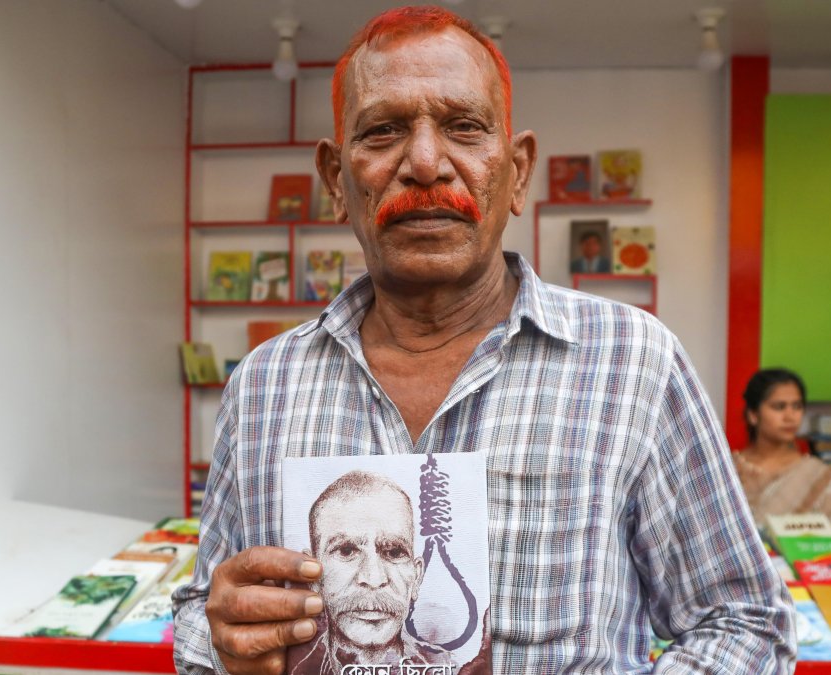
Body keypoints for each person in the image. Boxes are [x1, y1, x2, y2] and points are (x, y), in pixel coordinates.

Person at [172, 6, 796, 674]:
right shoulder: (264, 384)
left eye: (463, 127)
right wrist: (221, 637)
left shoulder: (635, 363)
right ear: (336, 181)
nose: (424, 161)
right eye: (382, 131)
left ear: (518, 171)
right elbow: (198, 612)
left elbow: (746, 623)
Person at [289, 471, 453, 674]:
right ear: (312, 574)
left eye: (393, 552)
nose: (374, 578)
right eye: (346, 551)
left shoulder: (451, 665)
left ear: (416, 577)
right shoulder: (294, 668)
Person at [733, 369, 831, 533]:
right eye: (779, 407)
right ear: (753, 415)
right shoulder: (728, 470)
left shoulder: (816, 475)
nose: (790, 416)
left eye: (797, 406)